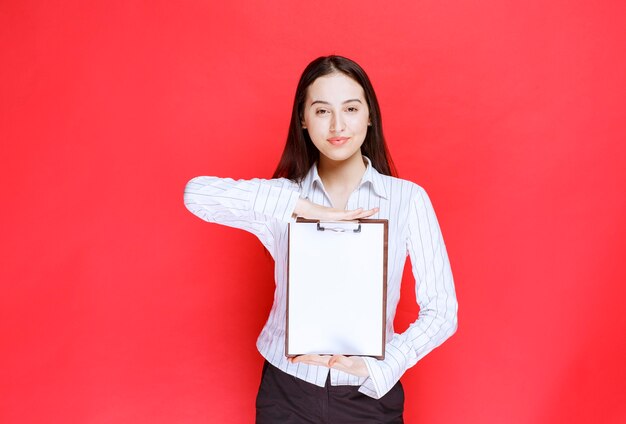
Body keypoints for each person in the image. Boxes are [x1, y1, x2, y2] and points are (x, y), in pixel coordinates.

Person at [184, 55, 458, 423]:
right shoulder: (283, 199)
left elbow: (442, 311)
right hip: (287, 391)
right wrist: (302, 207)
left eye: (350, 108)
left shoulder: (408, 199)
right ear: (303, 119)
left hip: (370, 396)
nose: (337, 125)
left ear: (369, 115)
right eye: (322, 111)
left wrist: (388, 363)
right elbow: (196, 194)